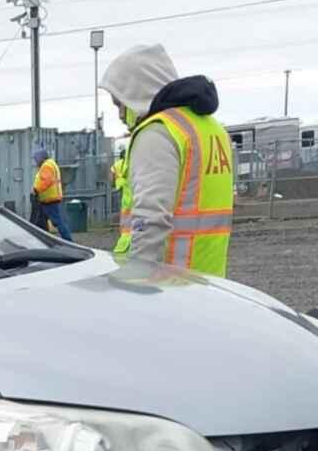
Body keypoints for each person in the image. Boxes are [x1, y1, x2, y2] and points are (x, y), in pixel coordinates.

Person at [99, 42, 235, 276]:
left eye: (120, 103)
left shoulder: (157, 134)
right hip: (209, 279)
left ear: (137, 92)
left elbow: (150, 217)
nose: (120, 113)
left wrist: (136, 277)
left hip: (170, 281)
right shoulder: (211, 129)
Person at [30, 145, 74, 242]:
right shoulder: (51, 164)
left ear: (40, 157)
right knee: (42, 222)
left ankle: (68, 241)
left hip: (49, 199)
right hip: (48, 199)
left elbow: (46, 181)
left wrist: (36, 190)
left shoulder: (46, 166)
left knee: (58, 222)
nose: (35, 161)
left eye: (36, 158)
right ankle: (44, 240)